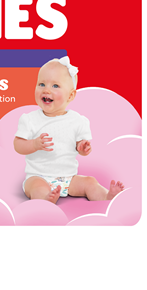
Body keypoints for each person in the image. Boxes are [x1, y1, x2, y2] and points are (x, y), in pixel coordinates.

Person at [14, 56, 124, 204]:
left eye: (55, 86)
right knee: (36, 188)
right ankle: (46, 199)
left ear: (71, 95)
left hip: (68, 178)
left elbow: (80, 148)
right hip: (38, 176)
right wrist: (33, 144)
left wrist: (83, 148)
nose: (46, 89)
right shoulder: (30, 119)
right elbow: (18, 145)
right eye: (41, 84)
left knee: (90, 181)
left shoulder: (77, 121)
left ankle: (105, 196)